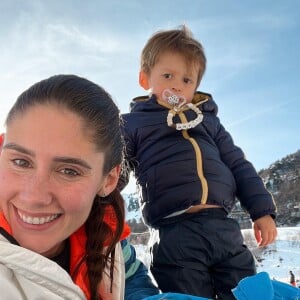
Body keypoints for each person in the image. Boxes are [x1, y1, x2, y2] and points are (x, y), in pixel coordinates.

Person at [119, 25, 277, 300]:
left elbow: (239, 166)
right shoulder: (134, 124)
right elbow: (115, 167)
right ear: (145, 79)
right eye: (168, 75)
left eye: (187, 79)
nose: (177, 84)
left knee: (247, 292)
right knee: (188, 295)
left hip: (223, 228)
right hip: (174, 232)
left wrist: (261, 211)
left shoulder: (210, 123)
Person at [0, 74, 160, 300]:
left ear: (109, 180)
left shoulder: (108, 239)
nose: (33, 197)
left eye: (68, 171)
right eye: (21, 162)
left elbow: (134, 284)